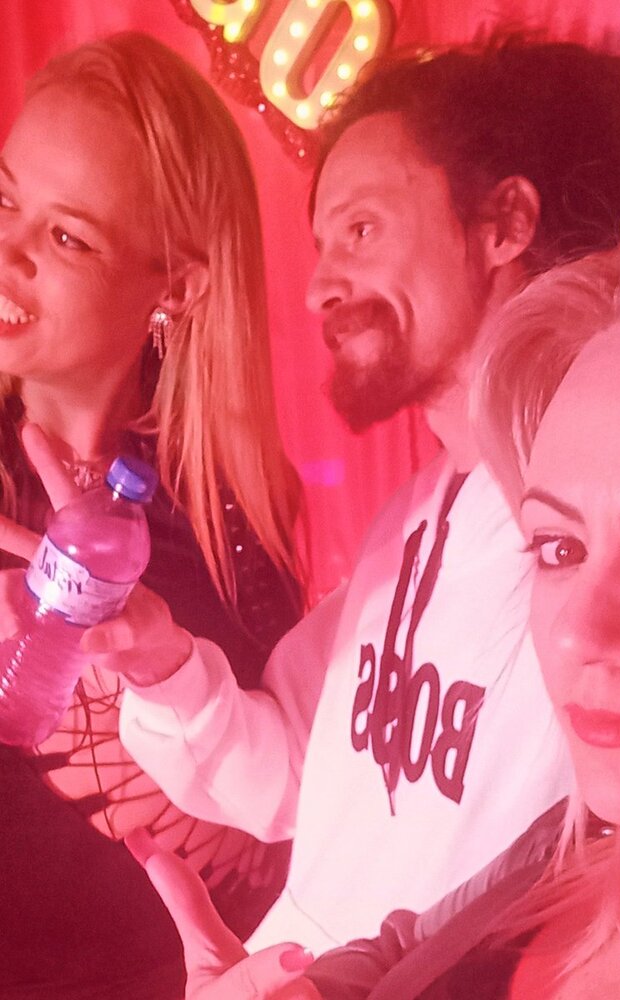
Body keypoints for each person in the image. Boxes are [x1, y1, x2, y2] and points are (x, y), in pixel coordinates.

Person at [128, 207, 620, 1000]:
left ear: (501, 222)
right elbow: (408, 945)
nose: (578, 633)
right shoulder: (578, 840)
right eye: (559, 548)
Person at [106, 36, 620, 955]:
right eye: (324, 245)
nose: (319, 288)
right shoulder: (413, 517)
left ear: (504, 224)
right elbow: (287, 777)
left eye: (362, 230)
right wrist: (156, 660)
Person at [0, 32, 302, 1000]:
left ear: (175, 283)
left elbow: (282, 819)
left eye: (68, 237)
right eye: (4, 201)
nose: (7, 251)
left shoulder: (232, 508)